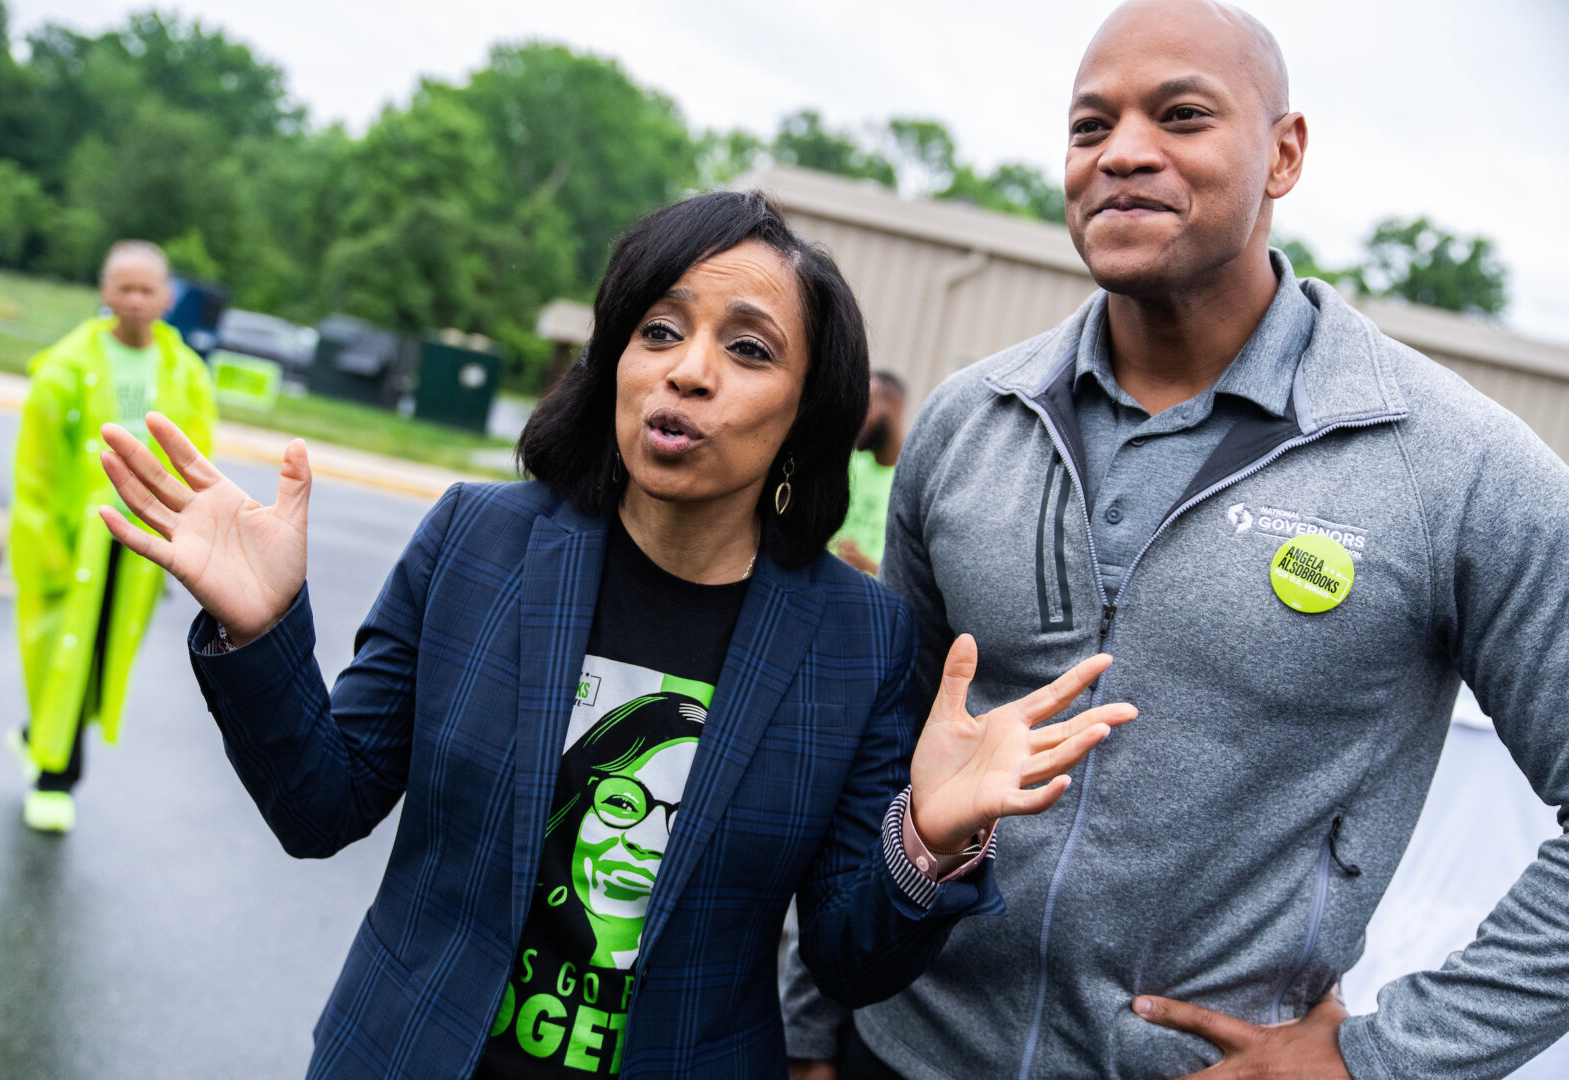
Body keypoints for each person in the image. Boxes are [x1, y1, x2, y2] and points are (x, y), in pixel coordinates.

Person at [94, 191, 1136, 1078]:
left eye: (748, 349)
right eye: (660, 330)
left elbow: (851, 958)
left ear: (804, 414)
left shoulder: (857, 640)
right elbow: (321, 804)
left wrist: (929, 841)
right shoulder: (477, 541)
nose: (688, 371)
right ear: (618, 359)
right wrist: (264, 626)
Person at [783, 2, 1569, 1078]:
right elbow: (870, 757)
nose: (1125, 153)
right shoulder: (970, 423)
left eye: (1183, 116)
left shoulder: (1455, 469)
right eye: (1089, 126)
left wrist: (1386, 1059)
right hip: (900, 1052)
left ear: (1284, 154)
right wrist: (811, 1028)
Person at [7, 239, 216, 834]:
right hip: (79, 542)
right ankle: (55, 776)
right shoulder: (66, 367)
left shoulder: (185, 373)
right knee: (65, 650)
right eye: (122, 287)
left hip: (139, 543)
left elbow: (196, 460)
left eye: (146, 289)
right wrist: (44, 539)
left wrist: (185, 536)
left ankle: (38, 735)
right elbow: (37, 465)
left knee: (99, 657)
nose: (133, 300)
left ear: (167, 297)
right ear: (103, 291)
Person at [831, 371, 906, 575]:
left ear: (893, 409)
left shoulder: (911, 483)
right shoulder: (850, 464)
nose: (858, 415)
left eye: (867, 404)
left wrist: (866, 564)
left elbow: (913, 580)